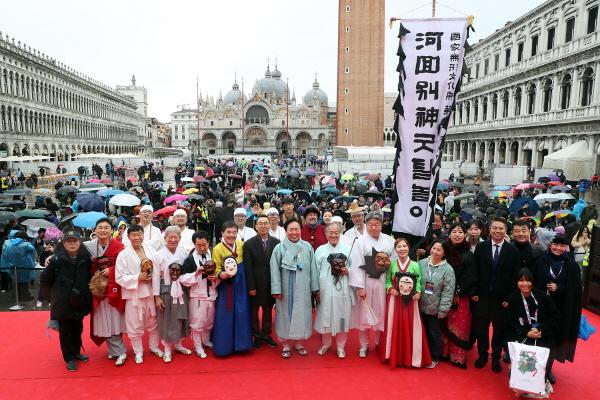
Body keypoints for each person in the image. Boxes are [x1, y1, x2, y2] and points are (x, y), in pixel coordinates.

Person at [532, 235, 582, 384]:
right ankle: (533, 368)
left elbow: (575, 290)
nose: (558, 248)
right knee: (539, 338)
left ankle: (547, 370)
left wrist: (559, 288)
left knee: (554, 341)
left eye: (562, 246)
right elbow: (530, 282)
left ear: (566, 247)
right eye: (556, 245)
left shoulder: (571, 265)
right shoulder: (539, 261)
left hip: (561, 310)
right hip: (540, 308)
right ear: (550, 245)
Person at [39, 231, 92, 372]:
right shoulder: (56, 260)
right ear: (63, 243)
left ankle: (76, 352)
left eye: (75, 240)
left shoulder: (85, 258)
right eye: (69, 241)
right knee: (66, 332)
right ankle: (69, 358)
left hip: (79, 300)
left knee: (77, 328)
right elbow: (44, 280)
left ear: (80, 242)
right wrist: (51, 299)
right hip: (62, 303)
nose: (72, 243)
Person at [472, 217, 519, 373]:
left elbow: (514, 277)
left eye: (501, 228)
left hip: (501, 300)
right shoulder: (481, 247)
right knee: (481, 330)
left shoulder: (512, 250)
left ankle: (496, 358)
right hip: (482, 297)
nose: (497, 231)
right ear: (489, 229)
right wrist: (475, 292)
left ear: (506, 230)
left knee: (499, 331)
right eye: (495, 228)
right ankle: (482, 355)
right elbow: (475, 271)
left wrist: (509, 298)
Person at [379, 237, 431, 368]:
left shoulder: (415, 265)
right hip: (395, 300)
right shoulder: (391, 264)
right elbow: (387, 282)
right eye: (399, 247)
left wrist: (418, 292)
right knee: (394, 325)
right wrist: (391, 289)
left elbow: (418, 282)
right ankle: (393, 355)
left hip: (410, 301)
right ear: (395, 250)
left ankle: (411, 357)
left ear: (408, 248)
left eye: (404, 246)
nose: (402, 249)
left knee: (410, 326)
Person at [349, 211, 395, 358]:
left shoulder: (389, 240)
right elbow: (356, 264)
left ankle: (378, 343)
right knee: (364, 315)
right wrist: (360, 287)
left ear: (382, 225)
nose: (374, 228)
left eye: (377, 225)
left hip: (383, 282)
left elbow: (393, 263)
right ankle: (363, 345)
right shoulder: (360, 241)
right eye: (370, 225)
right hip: (366, 281)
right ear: (366, 224)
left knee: (381, 313)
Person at [270, 219, 319, 358]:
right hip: (286, 288)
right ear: (286, 230)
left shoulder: (307, 247)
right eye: (290, 229)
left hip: (303, 287)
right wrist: (276, 289)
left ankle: (299, 342)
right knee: (285, 314)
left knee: (302, 314)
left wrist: (314, 287)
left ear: (300, 230)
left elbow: (313, 268)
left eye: (296, 229)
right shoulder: (279, 248)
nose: (294, 232)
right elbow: (274, 270)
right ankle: (285, 344)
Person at [115, 224, 163, 364]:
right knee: (134, 325)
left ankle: (154, 347)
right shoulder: (123, 254)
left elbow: (158, 271)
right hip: (134, 294)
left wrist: (157, 294)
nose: (137, 237)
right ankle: (138, 352)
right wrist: (137, 277)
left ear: (143, 235)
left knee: (153, 322)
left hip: (150, 292)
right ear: (128, 237)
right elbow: (119, 277)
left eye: (139, 234)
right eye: (134, 235)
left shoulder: (150, 250)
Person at [84, 218, 127, 366]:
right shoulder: (89, 246)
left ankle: (120, 352)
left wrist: (112, 269)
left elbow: (125, 265)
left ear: (111, 230)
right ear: (95, 230)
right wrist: (52, 256)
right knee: (104, 319)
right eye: (100, 227)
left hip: (114, 288)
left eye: (106, 227)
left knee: (115, 319)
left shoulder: (119, 246)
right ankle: (115, 350)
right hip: (99, 288)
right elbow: (70, 247)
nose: (103, 230)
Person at [507, 268, 559, 385]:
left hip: (543, 336)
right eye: (521, 280)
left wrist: (541, 330)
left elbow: (554, 318)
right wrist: (526, 332)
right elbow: (511, 322)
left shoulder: (543, 297)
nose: (525, 284)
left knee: (539, 381)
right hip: (523, 336)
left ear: (533, 282)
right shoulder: (513, 299)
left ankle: (547, 371)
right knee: (516, 378)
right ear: (516, 282)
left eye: (528, 281)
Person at [211, 221, 253, 356]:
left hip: (241, 282)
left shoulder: (241, 245)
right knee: (226, 313)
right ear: (222, 233)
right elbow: (215, 268)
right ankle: (224, 346)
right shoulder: (217, 248)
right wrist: (220, 274)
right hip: (226, 285)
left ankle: (242, 345)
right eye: (228, 232)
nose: (231, 235)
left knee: (242, 311)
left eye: (234, 232)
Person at [152, 226, 192, 362]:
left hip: (181, 288)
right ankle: (167, 348)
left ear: (180, 239)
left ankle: (179, 344)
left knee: (181, 316)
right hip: (166, 289)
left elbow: (187, 272)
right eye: (170, 237)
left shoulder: (184, 253)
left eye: (176, 237)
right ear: (165, 239)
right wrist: (156, 297)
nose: (173, 239)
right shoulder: (158, 255)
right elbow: (156, 277)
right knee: (167, 318)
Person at [314, 221, 352, 358]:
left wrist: (348, 271)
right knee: (325, 316)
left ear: (340, 233)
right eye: (331, 233)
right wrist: (316, 289)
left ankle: (341, 346)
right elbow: (315, 271)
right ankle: (326, 344)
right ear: (326, 234)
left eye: (336, 232)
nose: (334, 235)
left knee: (342, 317)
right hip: (325, 289)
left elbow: (355, 267)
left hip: (343, 289)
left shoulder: (348, 249)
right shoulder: (320, 250)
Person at [442, 223, 477, 369]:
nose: (457, 234)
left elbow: (471, 277)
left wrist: (457, 292)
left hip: (460, 297)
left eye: (460, 232)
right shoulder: (443, 250)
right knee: (443, 324)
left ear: (465, 234)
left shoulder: (469, 254)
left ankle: (457, 356)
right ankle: (443, 353)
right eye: (454, 231)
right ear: (449, 234)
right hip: (443, 295)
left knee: (459, 325)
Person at [244, 215, 280, 348]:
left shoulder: (277, 243)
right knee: (254, 311)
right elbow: (248, 266)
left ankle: (266, 334)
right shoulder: (249, 244)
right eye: (261, 224)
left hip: (271, 283)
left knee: (268, 311)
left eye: (266, 223)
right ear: (256, 226)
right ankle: (256, 335)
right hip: (256, 283)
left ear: (270, 225)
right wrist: (251, 286)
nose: (263, 226)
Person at [418, 241, 455, 369]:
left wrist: (443, 310)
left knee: (434, 333)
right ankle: (422, 354)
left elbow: (448, 292)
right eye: (433, 248)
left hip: (435, 309)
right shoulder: (421, 263)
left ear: (444, 252)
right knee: (422, 331)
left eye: (439, 250)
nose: (435, 252)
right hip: (420, 306)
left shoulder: (448, 269)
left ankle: (434, 357)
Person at [181, 231, 218, 358]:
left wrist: (216, 279)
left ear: (208, 243)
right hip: (197, 296)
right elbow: (182, 279)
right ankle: (197, 346)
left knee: (209, 321)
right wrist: (195, 274)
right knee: (197, 323)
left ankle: (206, 340)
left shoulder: (213, 255)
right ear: (194, 244)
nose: (202, 248)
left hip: (212, 294)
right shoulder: (190, 259)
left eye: (204, 245)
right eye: (198, 245)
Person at [0, 230, 37, 301]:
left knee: (17, 281)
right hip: (24, 265)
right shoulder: (25, 244)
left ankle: (18, 296)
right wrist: (32, 259)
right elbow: (32, 249)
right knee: (24, 282)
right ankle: (25, 296)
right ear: (23, 238)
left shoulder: (8, 243)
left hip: (13, 265)